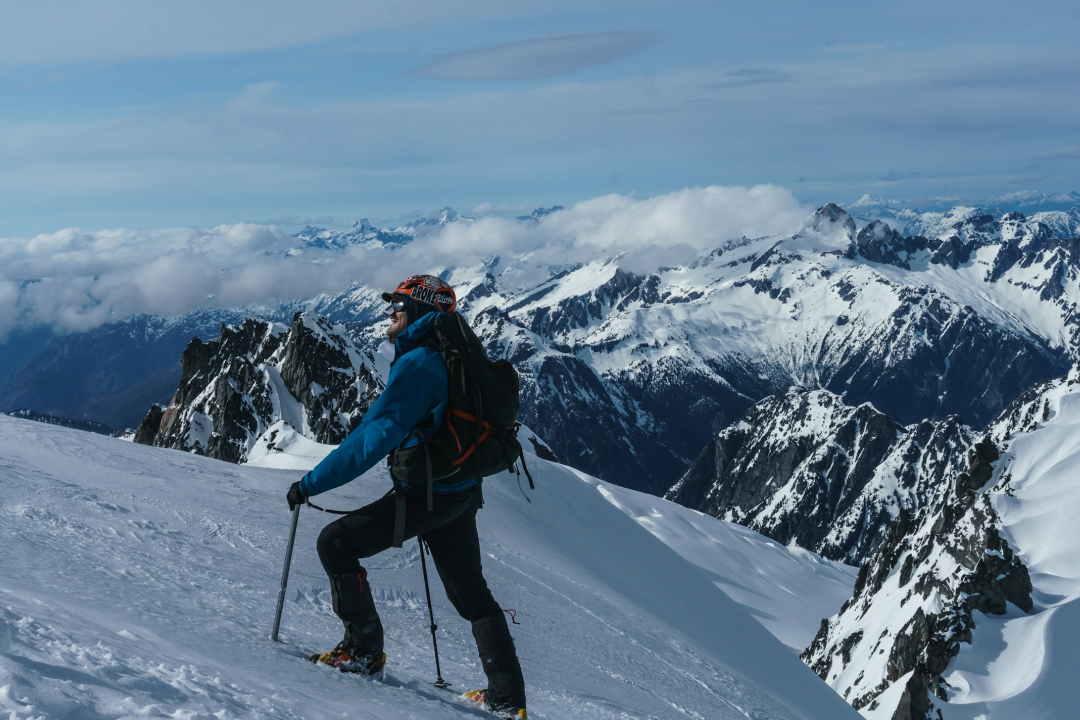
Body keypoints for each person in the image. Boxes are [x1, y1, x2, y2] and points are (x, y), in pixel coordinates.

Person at [286, 274, 527, 719]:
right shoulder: (452, 354)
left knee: (335, 543)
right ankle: (508, 698)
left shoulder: (420, 364)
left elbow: (370, 440)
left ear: (418, 308)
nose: (389, 312)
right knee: (472, 594)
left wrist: (309, 485)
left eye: (397, 304)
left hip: (427, 498)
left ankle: (363, 651)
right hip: (460, 493)